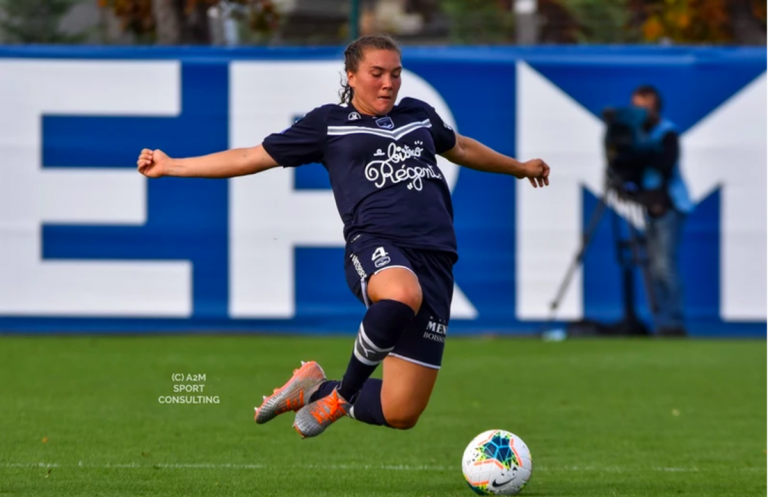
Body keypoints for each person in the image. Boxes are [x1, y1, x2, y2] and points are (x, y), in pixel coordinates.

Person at [137, 35, 551, 438]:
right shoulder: (328, 124)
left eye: (395, 73)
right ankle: (342, 398)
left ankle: (316, 389)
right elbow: (250, 156)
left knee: (401, 410)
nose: (388, 83)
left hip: (438, 259)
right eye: (376, 73)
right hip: (376, 244)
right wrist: (173, 166)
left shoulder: (418, 114)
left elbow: (460, 146)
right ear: (351, 75)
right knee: (402, 294)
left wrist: (519, 167)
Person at [630, 85, 692, 337]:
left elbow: (664, 165)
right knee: (655, 267)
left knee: (666, 265)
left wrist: (641, 151)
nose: (641, 112)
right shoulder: (635, 135)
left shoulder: (667, 134)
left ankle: (674, 322)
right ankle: (662, 321)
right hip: (649, 206)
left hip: (670, 205)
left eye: (646, 106)